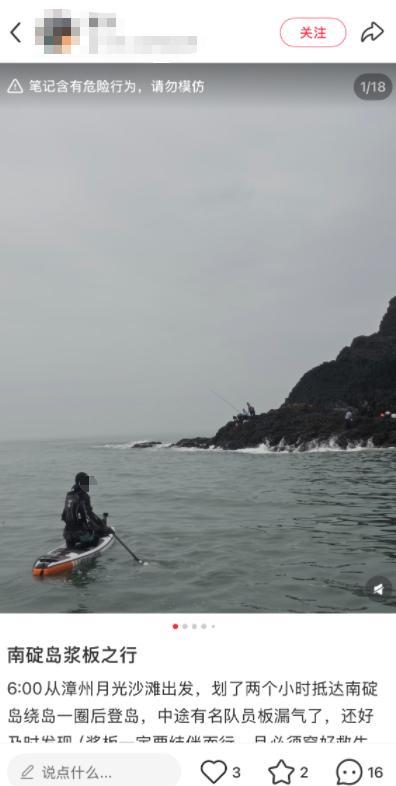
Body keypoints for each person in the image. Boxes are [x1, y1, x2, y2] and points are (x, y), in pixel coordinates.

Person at [61, 472, 111, 550]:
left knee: (87, 530)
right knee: (96, 538)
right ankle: (79, 547)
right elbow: (89, 518)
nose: (88, 485)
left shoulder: (69, 495)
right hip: (81, 537)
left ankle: (71, 545)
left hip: (68, 536)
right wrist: (103, 529)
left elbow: (64, 516)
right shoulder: (84, 497)